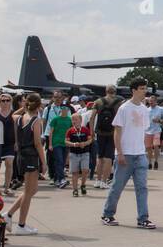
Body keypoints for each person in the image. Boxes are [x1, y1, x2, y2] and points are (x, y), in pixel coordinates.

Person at [102, 79, 155, 228]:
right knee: (117, 187)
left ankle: (143, 218)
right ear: (133, 90)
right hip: (125, 154)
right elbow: (117, 133)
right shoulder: (124, 108)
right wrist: (120, 153)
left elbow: (144, 131)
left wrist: (144, 150)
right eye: (142, 88)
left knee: (142, 188)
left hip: (140, 154)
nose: (145, 91)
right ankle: (107, 214)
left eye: (145, 88)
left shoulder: (145, 109)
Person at [5, 93, 46, 234]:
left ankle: (9, 215)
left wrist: (24, 107)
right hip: (30, 156)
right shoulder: (36, 121)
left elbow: (12, 114)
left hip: (21, 156)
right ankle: (21, 225)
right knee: (29, 192)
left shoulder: (18, 118)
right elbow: (37, 143)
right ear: (39, 106)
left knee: (32, 190)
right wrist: (44, 162)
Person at [94, 86, 122, 189]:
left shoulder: (98, 102)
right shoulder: (119, 103)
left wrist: (93, 131)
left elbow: (93, 116)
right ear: (115, 91)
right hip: (112, 132)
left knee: (100, 157)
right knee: (108, 158)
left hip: (100, 132)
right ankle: (104, 181)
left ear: (106, 91)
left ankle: (97, 180)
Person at [0, 91, 18, 195]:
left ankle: (7, 187)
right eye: (3, 100)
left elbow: (16, 128)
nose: (5, 102)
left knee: (9, 163)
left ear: (10, 101)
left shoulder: (14, 113)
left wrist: (17, 142)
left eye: (7, 100)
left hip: (10, 142)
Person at [66, 112, 93, 196]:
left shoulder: (85, 129)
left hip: (85, 153)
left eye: (76, 119)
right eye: (72, 119)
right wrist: (74, 144)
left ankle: (83, 185)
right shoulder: (70, 131)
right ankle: (75, 190)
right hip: (74, 154)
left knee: (85, 170)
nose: (74, 121)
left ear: (80, 120)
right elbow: (66, 141)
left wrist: (85, 143)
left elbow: (90, 140)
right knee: (75, 172)